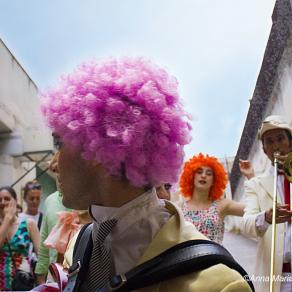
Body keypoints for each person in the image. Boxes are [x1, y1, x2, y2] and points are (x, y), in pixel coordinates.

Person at [41, 57, 251, 291]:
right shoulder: (79, 246)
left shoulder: (219, 284)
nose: (54, 164)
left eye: (59, 144)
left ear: (101, 150)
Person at [241, 115, 292, 292]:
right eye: (269, 142)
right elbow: (246, 224)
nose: (276, 146)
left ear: (290, 143)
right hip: (280, 279)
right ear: (264, 150)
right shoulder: (255, 184)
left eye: (280, 139)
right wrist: (267, 217)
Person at [179, 153, 245, 244]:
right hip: (188, 257)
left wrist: (250, 177)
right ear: (191, 176)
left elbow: (252, 210)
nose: (203, 176)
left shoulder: (222, 205)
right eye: (199, 172)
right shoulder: (179, 207)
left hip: (214, 257)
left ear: (214, 181)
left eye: (209, 173)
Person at [35, 155, 71, 284]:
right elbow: (44, 245)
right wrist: (41, 280)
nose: (59, 176)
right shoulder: (50, 201)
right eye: (56, 171)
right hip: (53, 279)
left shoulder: (85, 202)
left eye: (64, 170)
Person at [0, 186, 40, 291]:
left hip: (23, 285)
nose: (3, 202)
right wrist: (7, 220)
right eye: (0, 200)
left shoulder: (28, 224)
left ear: (16, 201)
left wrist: (42, 283)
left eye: (7, 199)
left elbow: (42, 256)